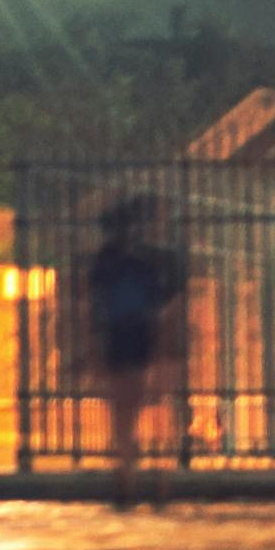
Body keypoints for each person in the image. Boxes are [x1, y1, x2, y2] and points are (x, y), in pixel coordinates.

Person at [84, 195, 184, 487]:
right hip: (145, 332)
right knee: (146, 402)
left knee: (123, 407)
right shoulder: (153, 258)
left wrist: (92, 343)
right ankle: (152, 468)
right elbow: (170, 297)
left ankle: (127, 464)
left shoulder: (106, 260)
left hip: (119, 334)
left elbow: (94, 304)